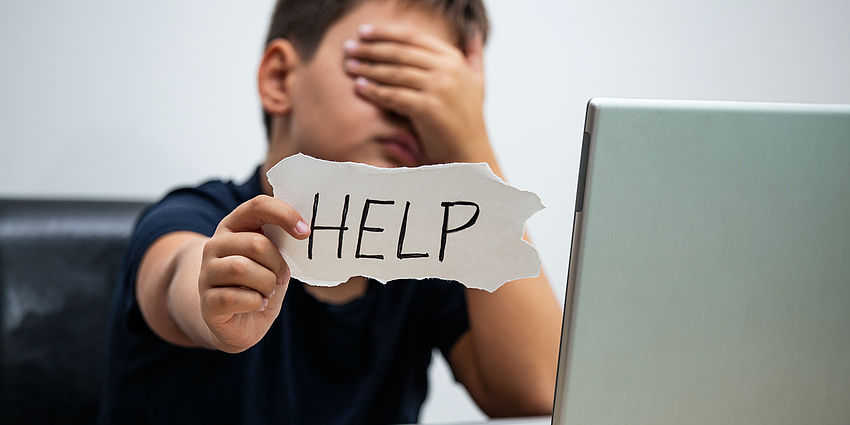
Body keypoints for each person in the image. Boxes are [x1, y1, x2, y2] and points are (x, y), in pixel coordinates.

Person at [101, 0, 561, 423]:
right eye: (392, 72)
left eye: (446, 96)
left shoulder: (424, 263)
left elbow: (539, 391)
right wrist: (215, 297)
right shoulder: (192, 216)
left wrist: (470, 144)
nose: (418, 112)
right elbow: (182, 274)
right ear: (281, 79)